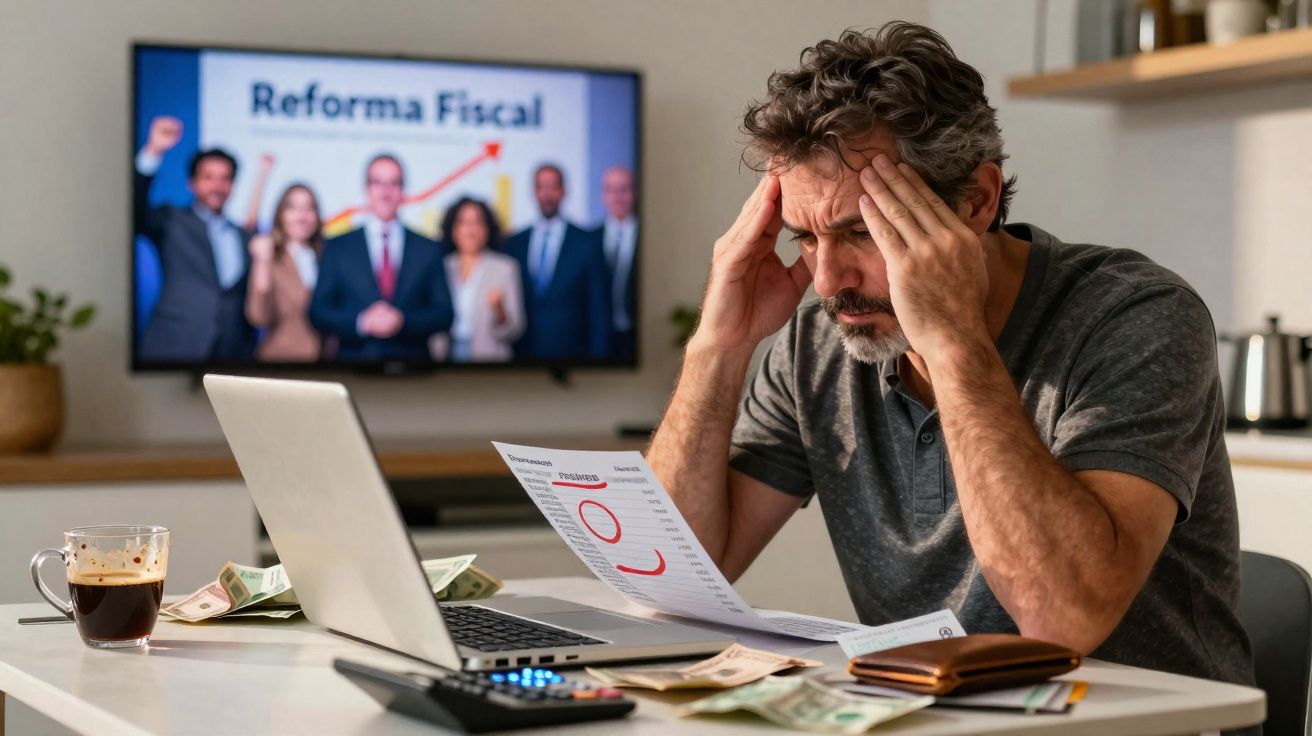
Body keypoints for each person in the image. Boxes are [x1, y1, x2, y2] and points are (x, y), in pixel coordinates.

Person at [646, 22, 1255, 691]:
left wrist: (954, 340)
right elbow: (675, 575)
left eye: (861, 232)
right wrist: (717, 346)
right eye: (806, 239)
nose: (827, 282)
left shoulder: (1136, 318)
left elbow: (1061, 619)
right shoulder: (822, 341)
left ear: (977, 201)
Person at [134, 115, 255, 363]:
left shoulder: (243, 236)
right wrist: (153, 151)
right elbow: (132, 209)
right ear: (192, 184)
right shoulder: (171, 220)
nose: (217, 186)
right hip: (176, 345)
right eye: (208, 177)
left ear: (233, 185)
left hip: (232, 354)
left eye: (225, 178)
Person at [309, 154, 453, 362]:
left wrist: (403, 322)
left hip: (413, 371)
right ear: (366, 189)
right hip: (354, 367)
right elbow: (318, 312)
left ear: (403, 191)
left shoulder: (428, 247)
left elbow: (444, 315)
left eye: (393, 183)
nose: (385, 192)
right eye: (378, 183)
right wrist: (362, 322)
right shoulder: (337, 246)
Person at [504, 164, 611, 360]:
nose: (547, 195)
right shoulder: (514, 243)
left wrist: (599, 358)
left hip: (573, 356)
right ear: (534, 192)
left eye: (553, 187)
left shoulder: (587, 243)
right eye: (541, 187)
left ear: (563, 191)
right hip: (521, 357)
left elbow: (599, 308)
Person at [431, 197, 525, 362]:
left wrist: (499, 309)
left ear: (487, 229)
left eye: (478, 222)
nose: (471, 229)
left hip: (489, 360)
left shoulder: (504, 267)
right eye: (463, 222)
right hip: (444, 358)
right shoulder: (440, 266)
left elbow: (514, 329)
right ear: (453, 229)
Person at [245, 183, 325, 362]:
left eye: (309, 208)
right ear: (280, 215)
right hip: (282, 364)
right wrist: (262, 262)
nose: (302, 216)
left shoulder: (327, 256)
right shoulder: (270, 256)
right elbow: (259, 316)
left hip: (329, 366)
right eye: (293, 208)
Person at [596, 165, 638, 362]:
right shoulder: (589, 239)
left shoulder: (648, 235)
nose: (617, 197)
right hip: (600, 337)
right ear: (603, 195)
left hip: (636, 334)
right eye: (611, 190)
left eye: (624, 189)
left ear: (634, 192)